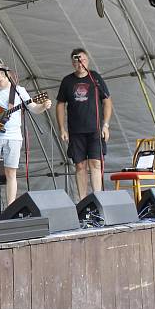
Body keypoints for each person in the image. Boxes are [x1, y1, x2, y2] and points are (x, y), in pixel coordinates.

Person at [0, 65, 51, 220]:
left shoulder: (19, 91)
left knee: (10, 172)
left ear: (8, 76)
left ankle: (11, 209)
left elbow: (34, 108)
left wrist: (43, 107)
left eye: (0, 80)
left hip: (13, 136)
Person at [56, 48, 113, 200]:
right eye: (76, 61)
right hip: (75, 130)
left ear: (88, 60)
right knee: (80, 166)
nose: (80, 63)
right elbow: (60, 104)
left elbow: (107, 101)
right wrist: (62, 128)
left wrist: (106, 125)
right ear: (72, 63)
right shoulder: (67, 81)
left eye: (83, 60)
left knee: (96, 163)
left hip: (95, 129)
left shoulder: (95, 78)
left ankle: (98, 199)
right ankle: (82, 201)